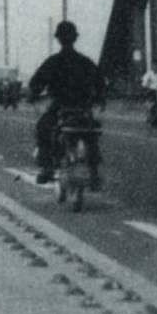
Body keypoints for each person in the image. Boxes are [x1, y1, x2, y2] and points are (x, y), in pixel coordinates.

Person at [28, 20, 105, 188]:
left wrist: (33, 95)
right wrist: (99, 100)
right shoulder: (85, 62)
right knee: (91, 132)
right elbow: (100, 83)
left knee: (43, 128)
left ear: (58, 39)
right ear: (75, 38)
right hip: (83, 108)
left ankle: (47, 168)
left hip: (60, 108)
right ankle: (94, 172)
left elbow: (35, 83)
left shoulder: (53, 62)